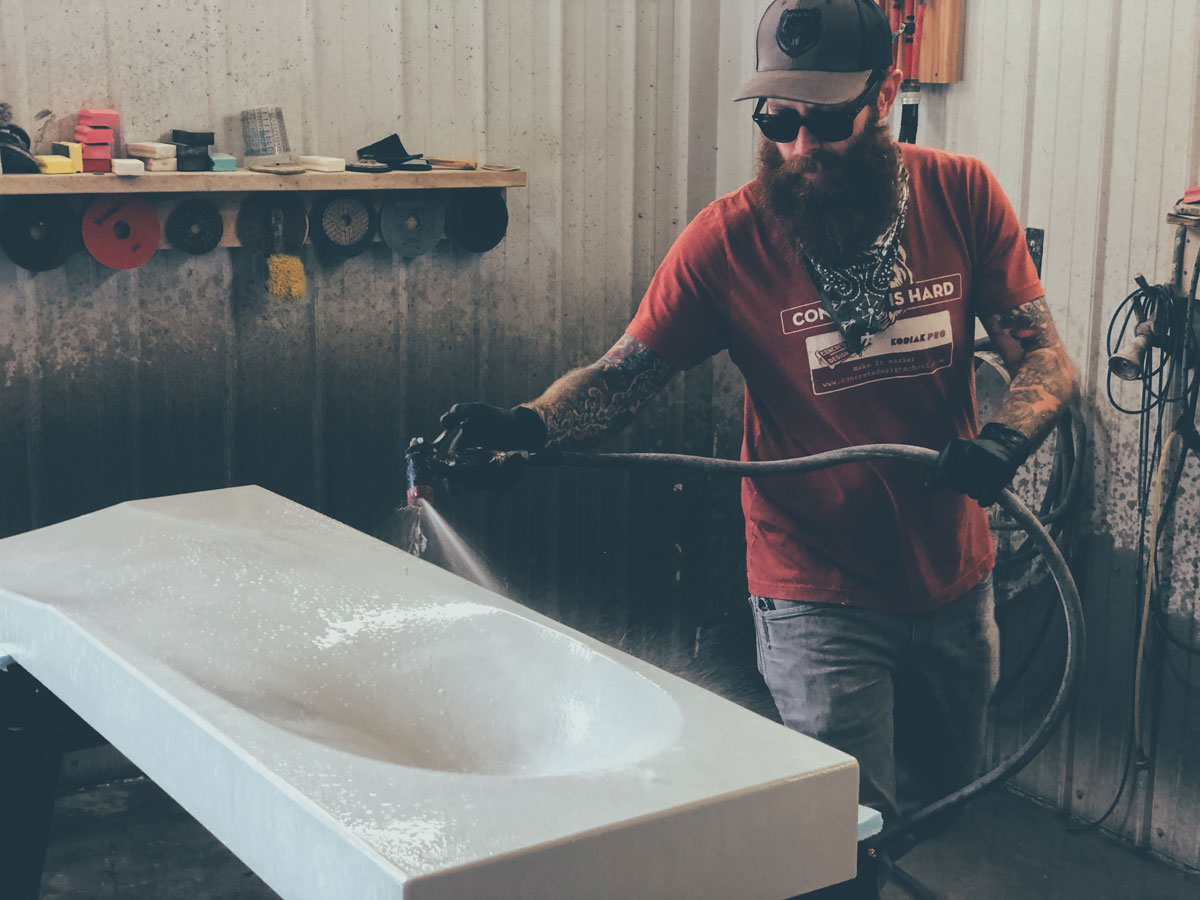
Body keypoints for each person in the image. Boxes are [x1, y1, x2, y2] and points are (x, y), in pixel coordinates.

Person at [436, 0, 1078, 896]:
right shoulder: (725, 241)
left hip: (953, 577)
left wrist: (1007, 438)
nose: (800, 146)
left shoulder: (961, 196)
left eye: (827, 119)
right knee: (840, 838)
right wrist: (527, 424)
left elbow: (1043, 355)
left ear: (885, 93)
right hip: (814, 592)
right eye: (779, 120)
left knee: (942, 799)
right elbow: (620, 378)